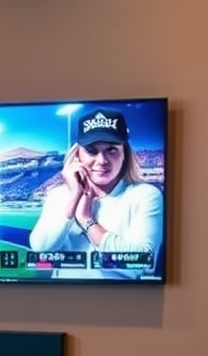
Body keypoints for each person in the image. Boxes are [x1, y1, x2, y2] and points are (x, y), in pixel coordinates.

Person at [28, 105, 163, 278]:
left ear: (124, 154)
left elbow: (143, 263)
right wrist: (73, 200)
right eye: (91, 151)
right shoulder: (58, 195)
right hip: (62, 299)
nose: (102, 161)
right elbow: (41, 250)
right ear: (77, 155)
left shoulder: (145, 195)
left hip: (124, 301)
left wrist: (86, 220)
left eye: (111, 149)